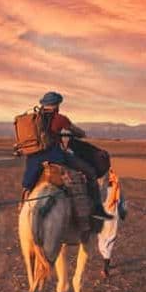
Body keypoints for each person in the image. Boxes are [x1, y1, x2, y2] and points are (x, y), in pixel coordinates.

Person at [21, 91, 113, 220]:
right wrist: (81, 133)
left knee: (28, 184)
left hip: (34, 158)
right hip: (55, 156)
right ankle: (97, 209)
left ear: (43, 104)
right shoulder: (60, 119)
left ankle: (23, 203)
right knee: (90, 172)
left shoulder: (33, 119)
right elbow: (77, 131)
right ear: (57, 105)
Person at [97, 169, 127, 277]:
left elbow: (111, 201)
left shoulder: (113, 187)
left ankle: (106, 268)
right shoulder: (113, 187)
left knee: (105, 243)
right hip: (110, 216)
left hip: (109, 216)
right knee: (107, 242)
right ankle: (106, 265)